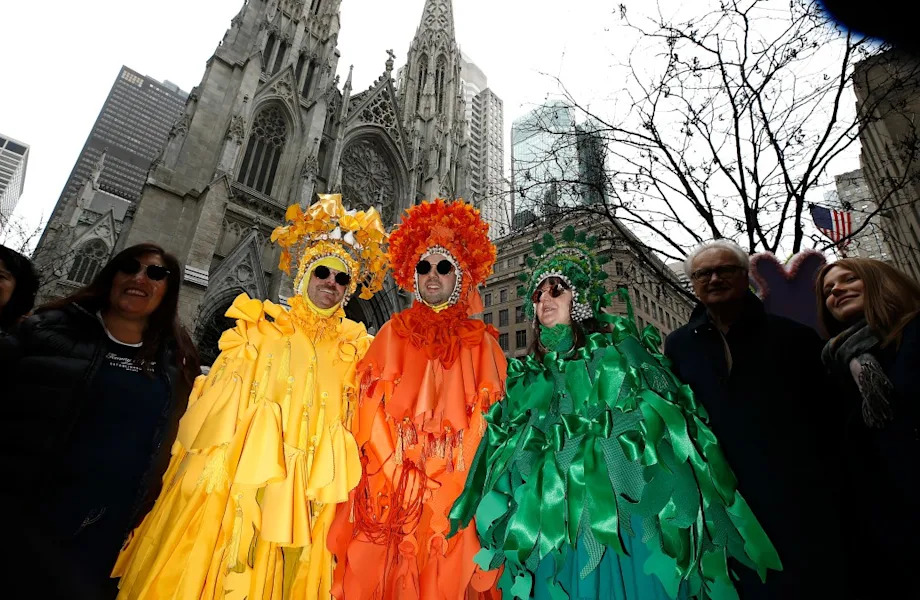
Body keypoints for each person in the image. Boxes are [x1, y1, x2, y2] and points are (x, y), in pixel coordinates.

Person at [448, 227, 780, 600]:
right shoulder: (526, 381)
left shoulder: (618, 357)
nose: (544, 302)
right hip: (550, 526)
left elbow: (657, 434)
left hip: (619, 520)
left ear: (580, 301)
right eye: (538, 296)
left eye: (556, 291)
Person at [113, 195, 390, 600]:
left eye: (341, 278)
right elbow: (218, 419)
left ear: (348, 290)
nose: (331, 283)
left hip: (315, 496)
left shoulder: (358, 350)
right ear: (305, 276)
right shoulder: (261, 329)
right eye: (323, 272)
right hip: (252, 486)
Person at [0, 242, 199, 598]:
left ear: (169, 290)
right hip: (10, 522)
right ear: (111, 276)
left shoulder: (175, 363)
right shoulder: (47, 330)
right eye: (129, 267)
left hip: (101, 540)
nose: (140, 278)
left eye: (156, 273)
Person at [327, 199, 507, 600]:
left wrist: (454, 484)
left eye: (443, 266)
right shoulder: (392, 333)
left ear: (461, 275)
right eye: (423, 266)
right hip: (396, 496)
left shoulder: (482, 347)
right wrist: (399, 473)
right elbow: (369, 411)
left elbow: (489, 424)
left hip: (455, 495)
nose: (431, 275)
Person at [664, 240, 847, 599]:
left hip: (799, 498)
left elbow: (829, 416)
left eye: (725, 270)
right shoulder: (678, 345)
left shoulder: (793, 336)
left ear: (745, 275)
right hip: (725, 502)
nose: (714, 278)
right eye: (703, 274)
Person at [817, 258, 920, 598]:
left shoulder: (913, 331)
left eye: (849, 279)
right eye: (828, 290)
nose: (836, 290)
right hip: (890, 529)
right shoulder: (837, 363)